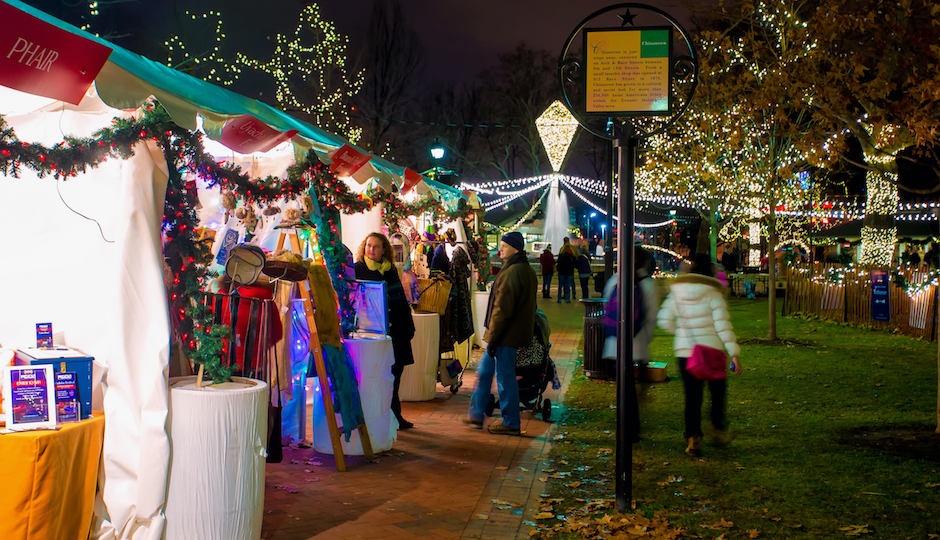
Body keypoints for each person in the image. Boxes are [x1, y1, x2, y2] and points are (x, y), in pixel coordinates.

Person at [657, 253, 743, 457]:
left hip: (685, 352)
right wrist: (734, 353)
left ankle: (693, 438)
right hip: (712, 350)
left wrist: (681, 333)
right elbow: (722, 325)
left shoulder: (676, 292)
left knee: (692, 397)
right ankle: (717, 427)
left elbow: (664, 320)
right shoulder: (714, 293)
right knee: (718, 392)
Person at [464, 231, 537, 435]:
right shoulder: (522, 269)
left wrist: (493, 338)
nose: (500, 249)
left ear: (514, 248)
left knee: (504, 378)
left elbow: (502, 310)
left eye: (504, 246)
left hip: (505, 335)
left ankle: (511, 422)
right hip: (506, 334)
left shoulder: (513, 272)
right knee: (485, 372)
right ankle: (476, 414)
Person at [355, 232, 417, 430]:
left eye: (376, 246)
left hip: (396, 331)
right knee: (375, 375)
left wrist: (408, 326)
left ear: (384, 250)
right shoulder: (358, 270)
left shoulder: (390, 271)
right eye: (368, 246)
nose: (371, 250)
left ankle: (394, 414)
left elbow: (399, 299)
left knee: (394, 374)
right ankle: (377, 417)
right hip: (372, 332)